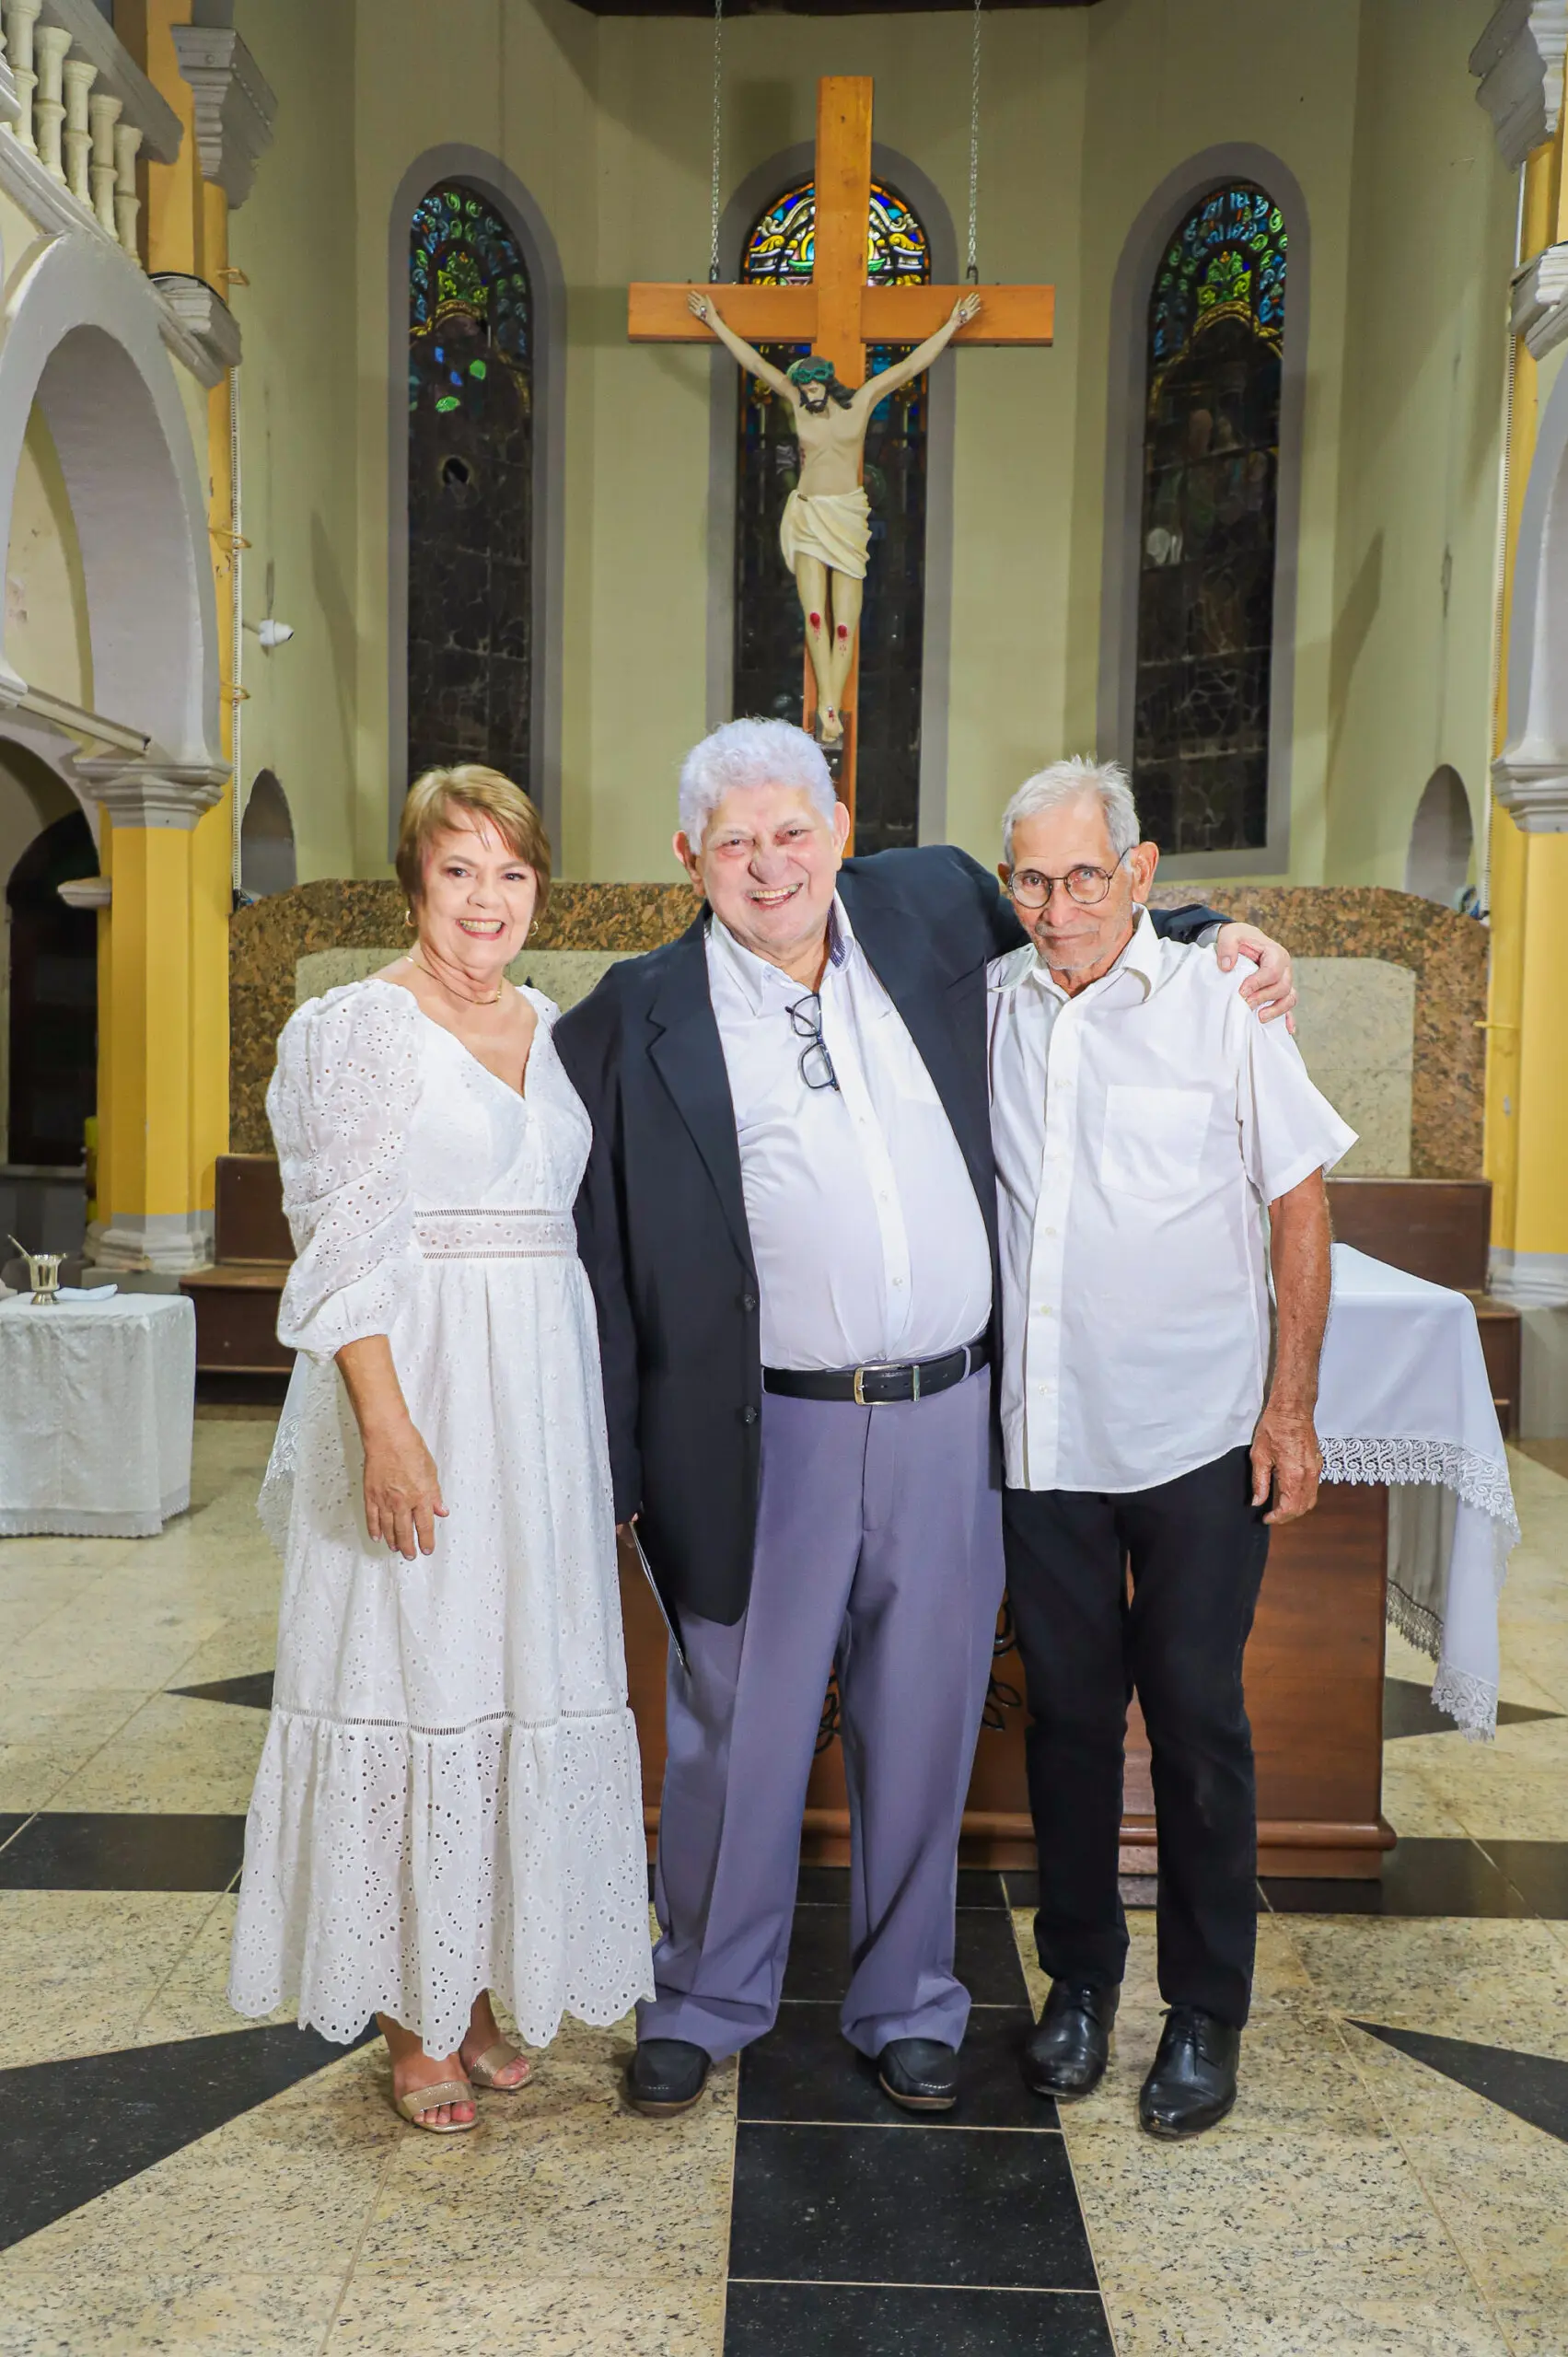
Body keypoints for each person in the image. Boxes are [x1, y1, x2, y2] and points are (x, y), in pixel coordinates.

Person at [553, 716, 1295, 2121]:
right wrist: (613, 1469)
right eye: (733, 842)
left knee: (924, 1718)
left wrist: (1223, 932)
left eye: (792, 831)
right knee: (736, 1727)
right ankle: (702, 1998)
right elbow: (592, 1261)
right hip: (761, 1430)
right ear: (686, 857)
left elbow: (1088, 919)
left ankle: (906, 2003)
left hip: (951, 1417)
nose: (768, 864)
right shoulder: (628, 1016)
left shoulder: (934, 904)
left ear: (841, 830)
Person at [228, 765, 652, 2132]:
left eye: (511, 873)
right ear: (414, 882)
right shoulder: (356, 1027)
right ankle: (412, 2018)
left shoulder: (552, 1025)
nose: (486, 899)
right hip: (422, 1393)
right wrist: (387, 1428)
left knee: (512, 1677)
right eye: (458, 869)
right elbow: (339, 1245)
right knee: (415, 1675)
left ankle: (469, 1992)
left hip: (538, 1406)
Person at [987, 757, 1354, 2139]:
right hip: (1044, 1438)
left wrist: (1288, 1408)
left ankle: (1205, 2010)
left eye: (1085, 876)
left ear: (1139, 874)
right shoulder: (987, 1004)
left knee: (1196, 1718)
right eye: (1031, 880)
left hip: (1198, 1435)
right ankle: (1079, 1984)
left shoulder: (1221, 1002)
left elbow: (1298, 1206)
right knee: (1069, 1721)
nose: (1057, 908)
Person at [689, 290, 981, 746]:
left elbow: (909, 367)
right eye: (803, 389)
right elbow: (757, 365)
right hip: (808, 515)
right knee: (814, 617)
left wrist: (953, 325)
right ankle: (828, 708)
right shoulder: (794, 401)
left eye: (813, 388)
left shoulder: (861, 403)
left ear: (827, 384)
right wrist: (714, 322)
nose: (808, 395)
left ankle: (830, 702)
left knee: (844, 624)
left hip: (845, 516)